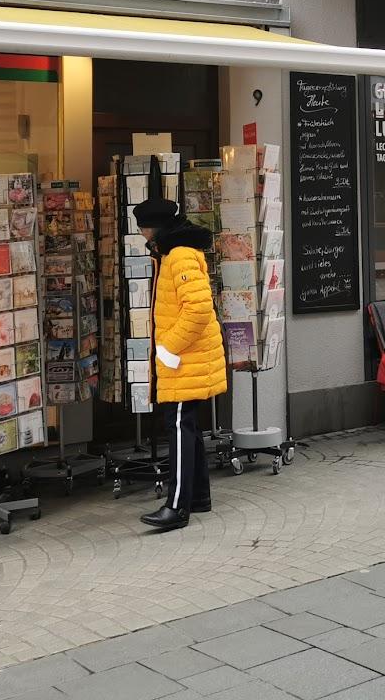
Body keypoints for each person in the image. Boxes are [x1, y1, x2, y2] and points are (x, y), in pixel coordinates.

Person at [131, 197, 227, 532]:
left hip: (186, 358)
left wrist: (167, 348)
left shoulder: (179, 255)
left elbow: (198, 310)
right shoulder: (171, 253)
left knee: (179, 426)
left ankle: (176, 507)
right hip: (187, 356)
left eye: (142, 227)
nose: (141, 234)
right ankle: (198, 497)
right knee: (187, 427)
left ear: (152, 227)